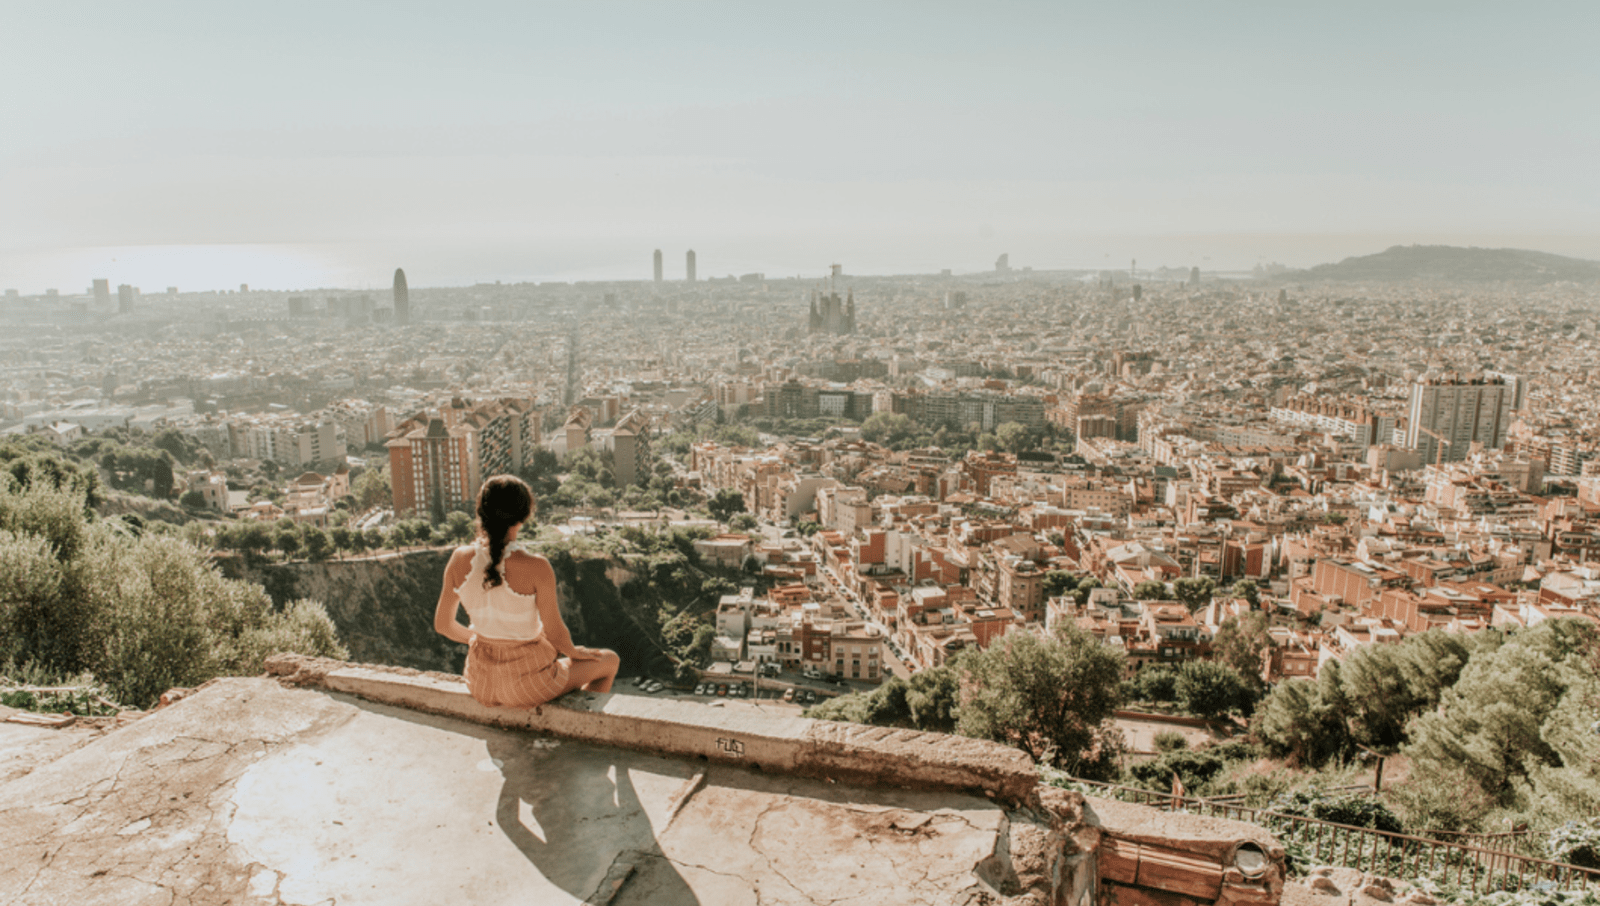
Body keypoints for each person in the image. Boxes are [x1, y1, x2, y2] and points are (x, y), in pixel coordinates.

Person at [434, 475, 619, 706]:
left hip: (480, 684)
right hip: (526, 688)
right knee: (610, 660)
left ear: (481, 513)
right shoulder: (537, 566)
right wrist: (573, 651)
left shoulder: (458, 558)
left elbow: (443, 625)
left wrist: (485, 641)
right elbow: (555, 632)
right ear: (525, 516)